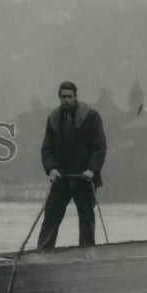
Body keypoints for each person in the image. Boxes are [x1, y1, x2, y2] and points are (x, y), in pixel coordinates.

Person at [38, 81, 107, 248]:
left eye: (69, 97)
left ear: (76, 97)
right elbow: (47, 149)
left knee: (86, 218)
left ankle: (87, 251)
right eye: (63, 97)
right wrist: (52, 169)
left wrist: (91, 170)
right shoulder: (53, 119)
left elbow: (99, 147)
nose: (66, 100)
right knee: (51, 216)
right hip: (61, 179)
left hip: (84, 179)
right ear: (59, 97)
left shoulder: (91, 116)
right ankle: (43, 252)